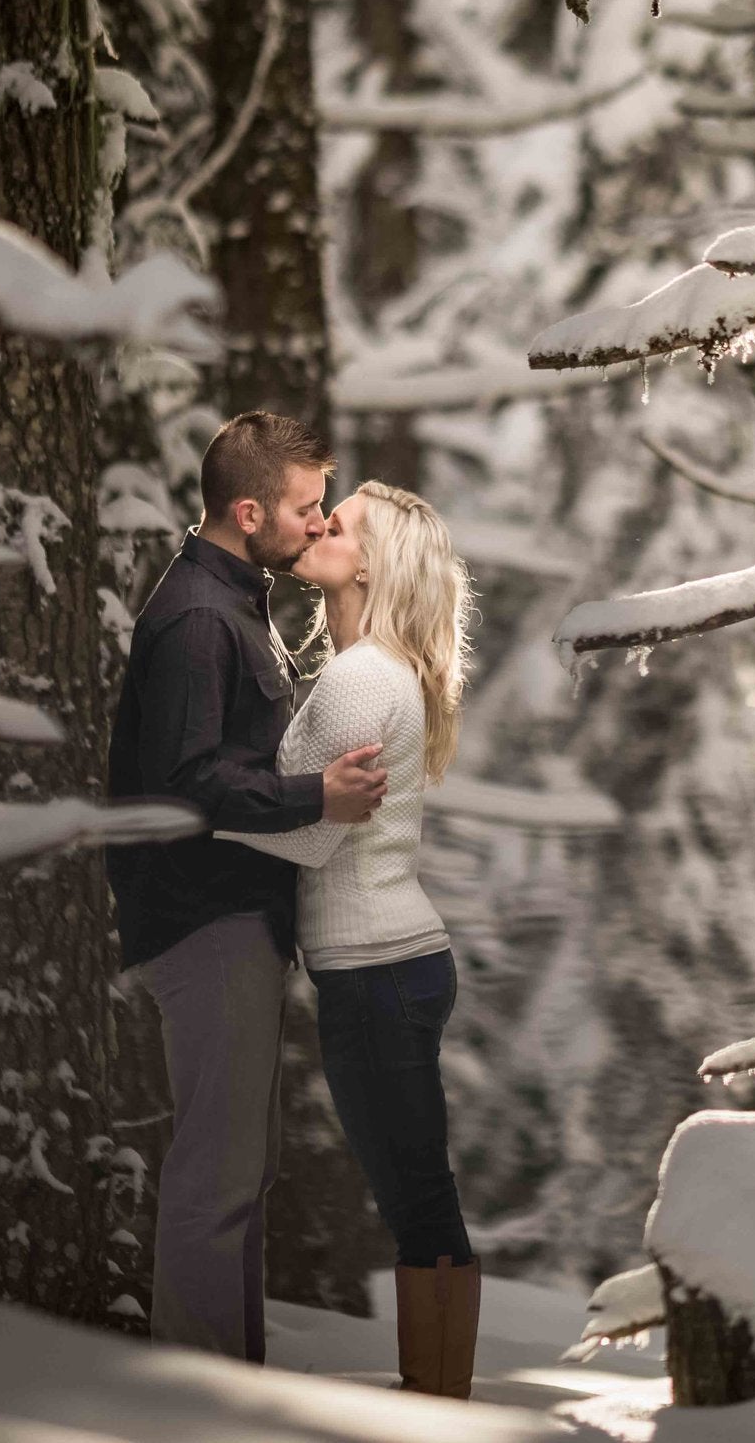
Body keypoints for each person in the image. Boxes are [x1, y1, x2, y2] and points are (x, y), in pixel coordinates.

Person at [106, 412, 389, 1362]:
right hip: (204, 924)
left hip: (238, 921)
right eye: (306, 507)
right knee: (215, 1178)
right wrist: (321, 795)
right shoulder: (195, 618)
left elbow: (241, 745)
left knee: (243, 1172)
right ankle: (197, 1403)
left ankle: (238, 1390)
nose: (317, 523)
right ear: (246, 508)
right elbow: (189, 779)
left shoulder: (235, 601)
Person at [220, 481, 481, 1399]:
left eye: (341, 523)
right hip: (385, 966)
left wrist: (195, 810)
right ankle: (439, 1392)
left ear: (369, 562)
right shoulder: (366, 666)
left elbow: (308, 830)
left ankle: (443, 1402)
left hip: (379, 972)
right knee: (415, 1191)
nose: (320, 526)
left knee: (416, 1199)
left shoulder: (363, 675)